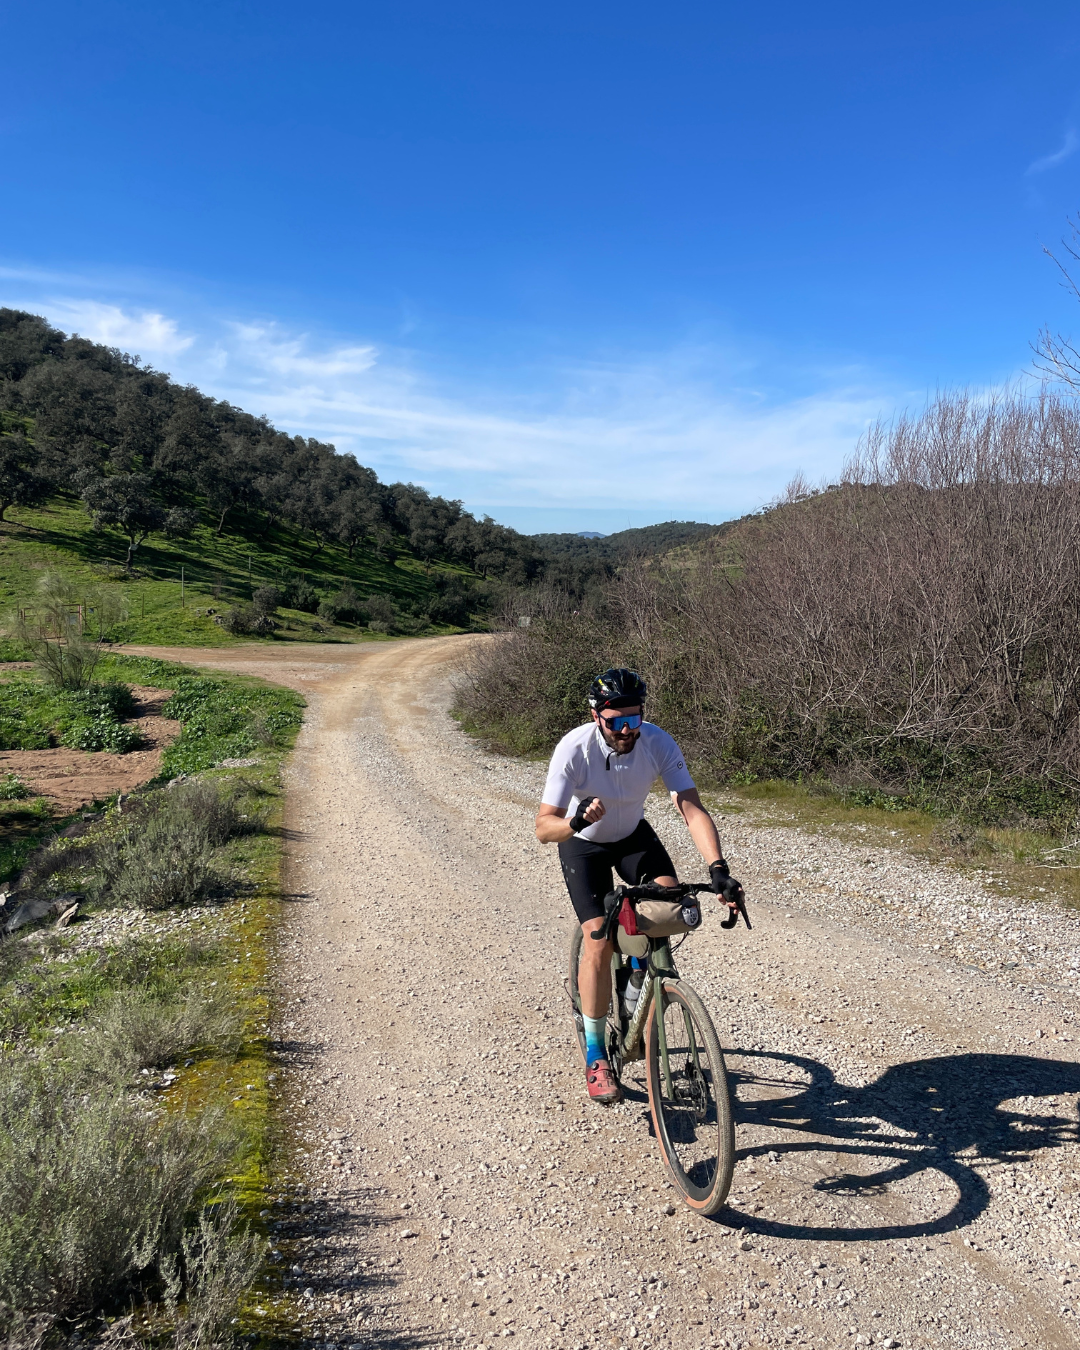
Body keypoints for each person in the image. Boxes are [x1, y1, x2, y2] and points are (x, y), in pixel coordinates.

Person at [535, 667, 744, 1104]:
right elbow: (543, 827)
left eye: (635, 719)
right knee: (598, 940)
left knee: (668, 909)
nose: (627, 730)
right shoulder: (574, 749)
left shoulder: (657, 742)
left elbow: (691, 807)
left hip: (633, 838)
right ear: (596, 717)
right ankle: (597, 1054)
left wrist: (718, 868)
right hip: (584, 843)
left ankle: (636, 981)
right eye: (616, 722)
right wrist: (575, 822)